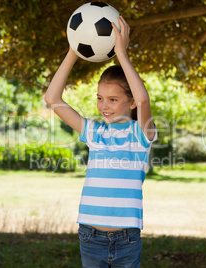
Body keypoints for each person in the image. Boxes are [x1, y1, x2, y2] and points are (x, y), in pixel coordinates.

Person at [44, 16, 157, 268]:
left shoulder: (141, 135)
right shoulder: (94, 133)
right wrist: (74, 50)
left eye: (113, 99)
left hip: (127, 239)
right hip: (89, 236)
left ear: (130, 102)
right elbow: (52, 98)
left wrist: (121, 53)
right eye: (100, 98)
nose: (104, 106)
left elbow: (144, 99)